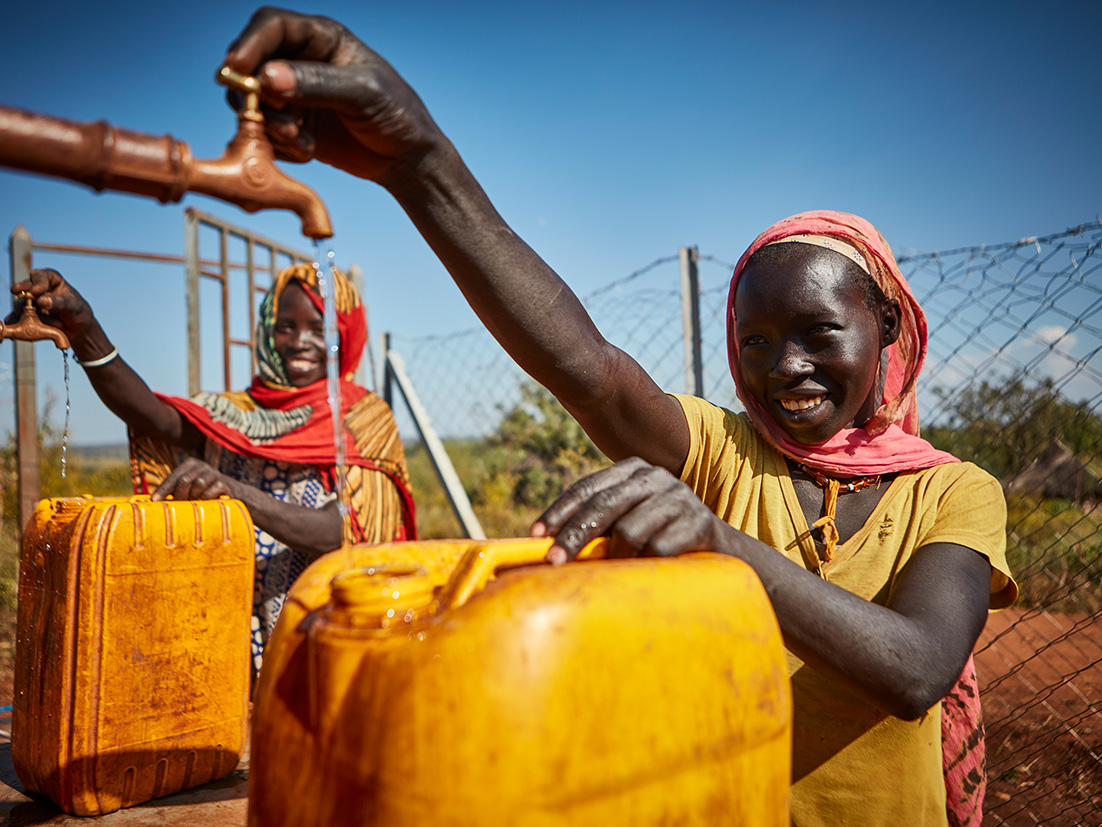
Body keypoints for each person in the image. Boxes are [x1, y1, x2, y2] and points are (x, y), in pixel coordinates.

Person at [219, 10, 1016, 824]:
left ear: (885, 325)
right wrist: (419, 165)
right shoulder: (723, 451)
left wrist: (719, 543)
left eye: (818, 333)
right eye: (757, 340)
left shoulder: (953, 493)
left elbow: (917, 668)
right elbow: (592, 371)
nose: (785, 366)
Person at [14, 262, 416, 674]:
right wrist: (86, 331)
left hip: (325, 643)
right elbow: (154, 417)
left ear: (345, 336)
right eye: (286, 326)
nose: (300, 342)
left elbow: (344, 530)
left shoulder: (363, 419)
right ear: (267, 329)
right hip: (232, 643)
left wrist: (238, 495)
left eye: (320, 330)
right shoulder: (235, 414)